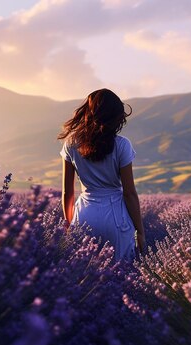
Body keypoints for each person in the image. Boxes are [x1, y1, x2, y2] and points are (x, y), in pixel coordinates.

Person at [58, 88, 145, 261]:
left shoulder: (71, 144)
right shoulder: (122, 145)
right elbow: (129, 193)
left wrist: (68, 225)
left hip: (84, 215)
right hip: (116, 217)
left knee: (85, 274)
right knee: (121, 273)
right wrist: (140, 231)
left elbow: (68, 192)